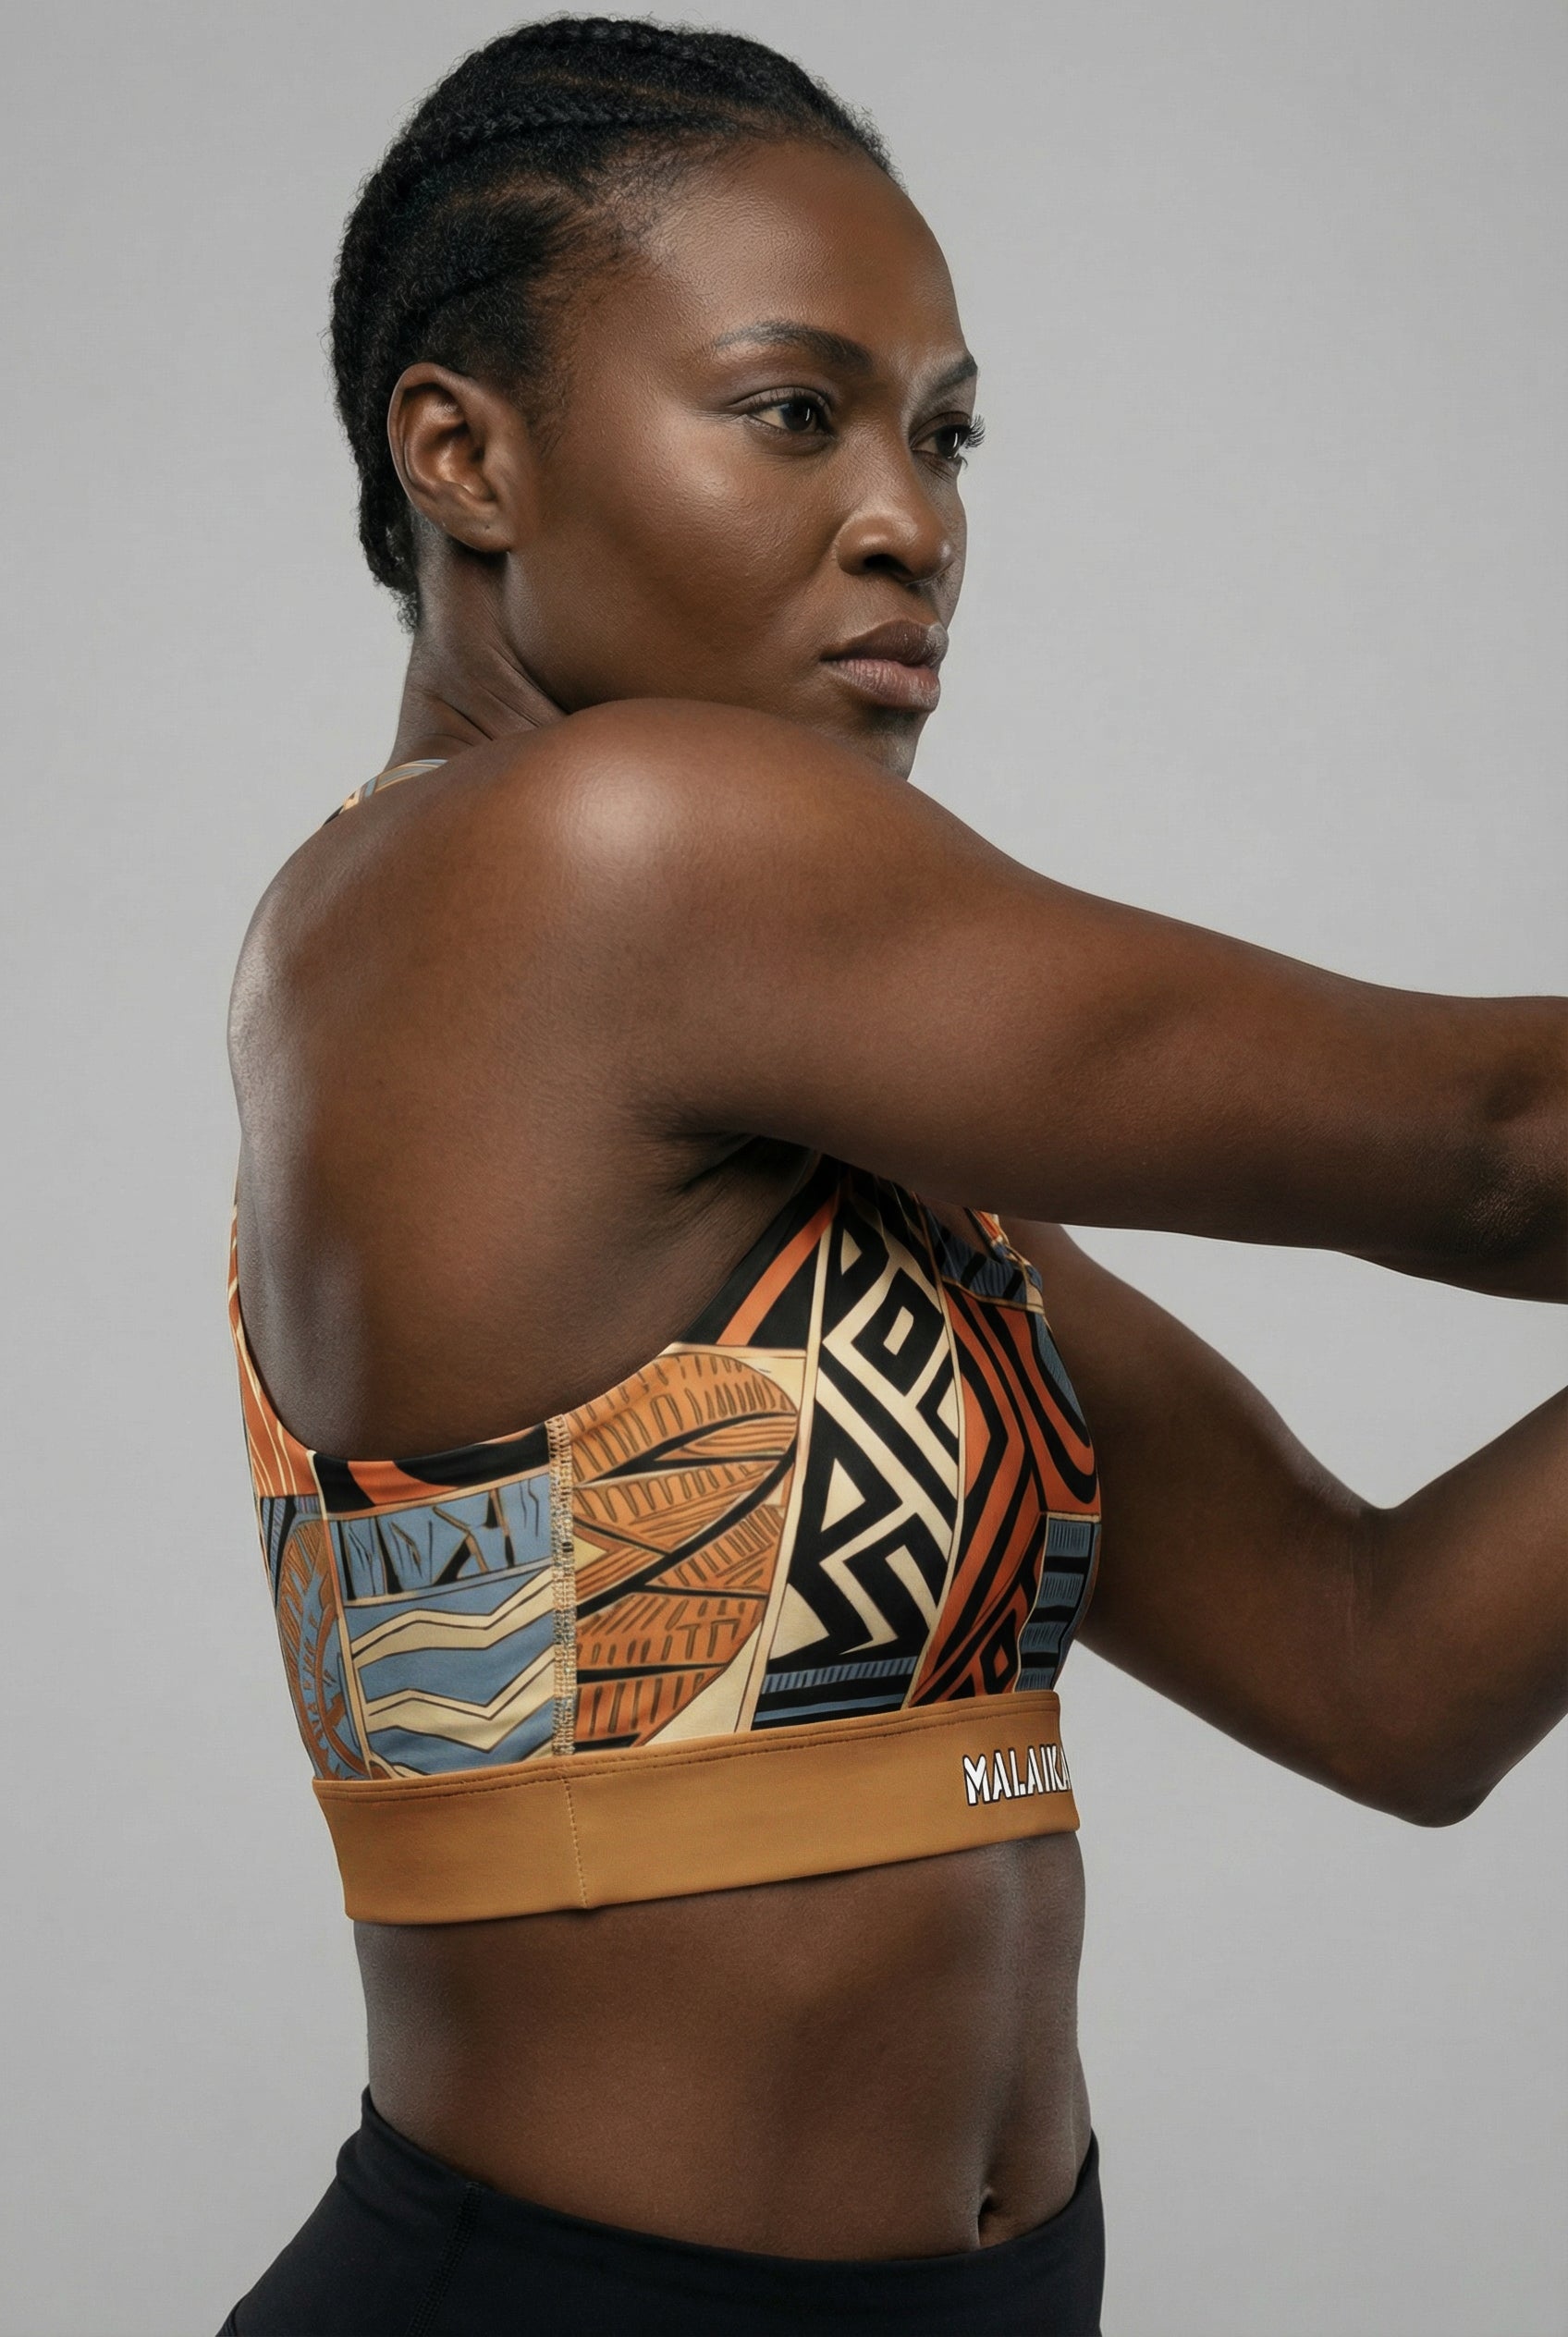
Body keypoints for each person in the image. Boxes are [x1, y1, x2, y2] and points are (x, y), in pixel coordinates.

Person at [219, 18, 1565, 2334]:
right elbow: (1493, 1155)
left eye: (941, 434)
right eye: (789, 410)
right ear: (463, 452)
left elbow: (1378, 1675)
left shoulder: (780, 1116)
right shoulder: (597, 857)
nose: (905, 515)